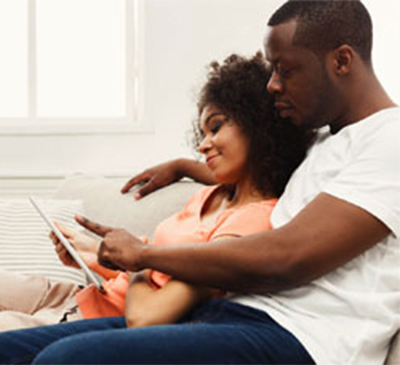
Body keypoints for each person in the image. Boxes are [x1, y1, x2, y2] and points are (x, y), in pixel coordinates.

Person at [0, 0, 399, 364]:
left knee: (67, 360)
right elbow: (262, 163)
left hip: (302, 339)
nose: (273, 84)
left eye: (286, 69)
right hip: (229, 316)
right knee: (10, 350)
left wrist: (144, 255)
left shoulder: (390, 141)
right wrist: (183, 166)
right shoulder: (325, 141)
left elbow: (287, 257)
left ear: (342, 61)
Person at [0, 52, 313, 360]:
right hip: (78, 294)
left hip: (91, 320)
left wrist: (137, 260)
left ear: (257, 125)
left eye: (215, 127)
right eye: (202, 133)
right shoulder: (211, 195)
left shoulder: (250, 225)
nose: (203, 145)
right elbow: (152, 265)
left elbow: (148, 311)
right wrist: (91, 253)